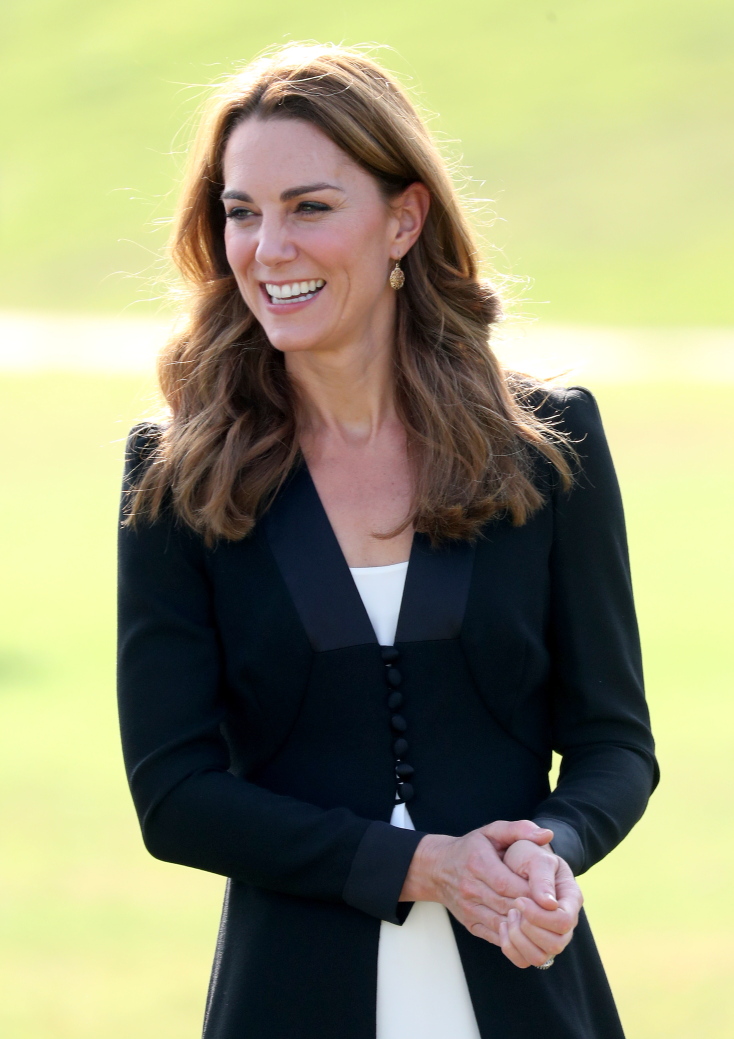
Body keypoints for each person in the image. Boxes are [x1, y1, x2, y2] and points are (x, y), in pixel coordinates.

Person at [117, 44, 658, 1039]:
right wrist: (420, 868)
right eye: (241, 212)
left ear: (402, 219)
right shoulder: (177, 473)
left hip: (529, 994)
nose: (266, 247)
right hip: (287, 1002)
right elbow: (174, 794)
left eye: (309, 207)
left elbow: (613, 743)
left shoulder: (549, 445)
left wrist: (549, 844)